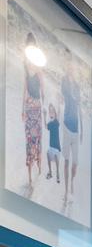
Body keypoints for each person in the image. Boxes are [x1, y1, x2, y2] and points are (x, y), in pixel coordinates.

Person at [59, 59, 82, 209]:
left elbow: (79, 106)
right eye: (68, 68)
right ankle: (66, 190)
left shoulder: (77, 87)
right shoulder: (64, 83)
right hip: (66, 126)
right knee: (67, 161)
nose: (70, 70)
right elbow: (63, 94)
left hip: (76, 128)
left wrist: (83, 131)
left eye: (72, 68)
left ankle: (71, 184)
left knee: (75, 163)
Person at [21, 38, 44, 184]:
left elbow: (43, 91)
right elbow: (24, 91)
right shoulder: (25, 67)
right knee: (29, 140)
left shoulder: (39, 68)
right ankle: (30, 172)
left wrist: (46, 110)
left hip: (37, 108)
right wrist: (22, 110)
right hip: (29, 109)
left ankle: (39, 165)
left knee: (38, 139)